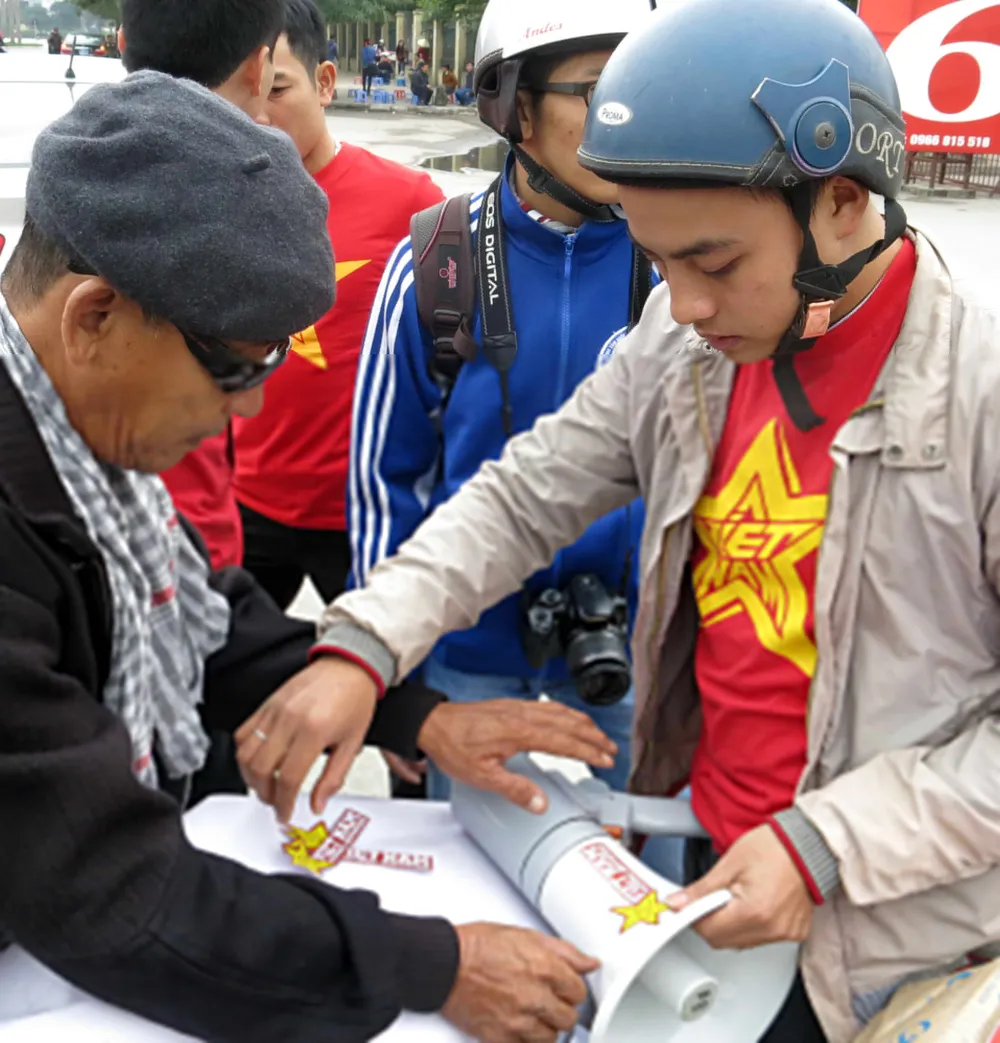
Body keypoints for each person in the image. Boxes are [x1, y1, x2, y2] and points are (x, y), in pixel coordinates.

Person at [237, 0, 1000, 1040]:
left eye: (714, 264)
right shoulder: (683, 349)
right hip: (701, 857)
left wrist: (827, 844)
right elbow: (523, 494)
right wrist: (366, 644)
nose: (681, 305)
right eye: (658, 260)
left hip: (882, 932)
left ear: (841, 200)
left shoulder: (976, 394)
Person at [0, 70, 615, 1043]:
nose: (247, 408)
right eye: (234, 367)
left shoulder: (78, 450)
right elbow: (109, 886)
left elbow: (203, 620)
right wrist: (431, 964)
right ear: (95, 317)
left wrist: (415, 715)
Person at [342, 0, 656, 804]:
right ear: (515, 105)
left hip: (631, 644)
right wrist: (397, 677)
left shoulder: (679, 262)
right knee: (466, 860)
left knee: (651, 857)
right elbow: (384, 484)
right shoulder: (436, 265)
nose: (628, 114)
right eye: (598, 89)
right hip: (465, 650)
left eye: (642, 84)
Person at [232, 0, 444, 612]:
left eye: (277, 90)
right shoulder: (217, 199)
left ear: (324, 83)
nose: (257, 115)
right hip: (246, 501)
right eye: (242, 93)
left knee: (382, 665)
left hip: (364, 512)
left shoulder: (410, 202)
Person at [119, 0, 283, 569]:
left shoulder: (78, 177)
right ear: (259, 67)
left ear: (122, 43)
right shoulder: (262, 193)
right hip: (197, 543)